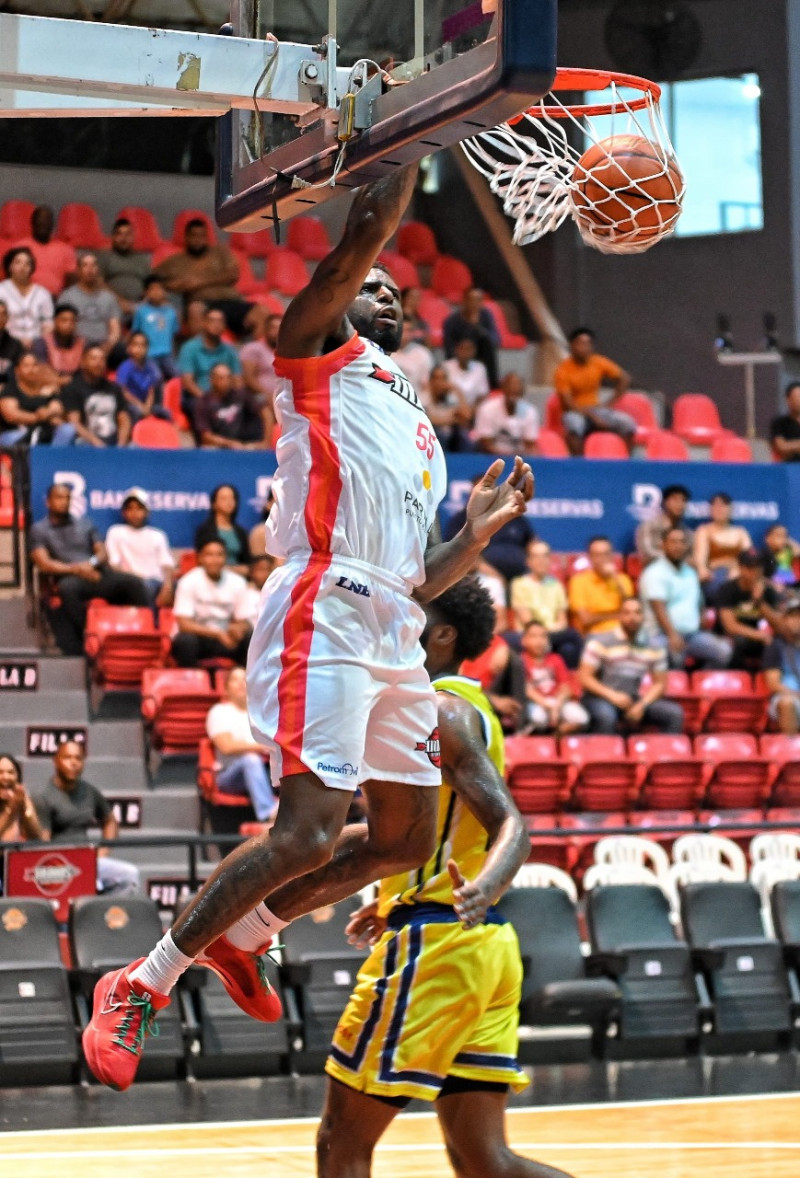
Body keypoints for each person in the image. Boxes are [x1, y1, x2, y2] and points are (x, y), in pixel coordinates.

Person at [81, 162, 532, 1093]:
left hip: (391, 617)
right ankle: (142, 980)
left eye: (396, 293)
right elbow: (360, 238)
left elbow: (420, 576)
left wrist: (475, 539)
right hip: (323, 601)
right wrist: (417, 135)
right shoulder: (313, 350)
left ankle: (249, 933)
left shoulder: (421, 428)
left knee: (407, 839)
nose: (385, 294)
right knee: (308, 834)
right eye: (370, 284)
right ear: (333, 297)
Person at [318, 579, 574, 1178]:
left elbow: (511, 823)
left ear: (443, 634)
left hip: (439, 944)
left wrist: (482, 886)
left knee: (341, 1141)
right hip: (484, 946)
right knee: (486, 1161)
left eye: (412, 616)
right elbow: (438, 828)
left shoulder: (439, 711)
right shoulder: (469, 710)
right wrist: (394, 895)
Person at [29, 482, 149, 655]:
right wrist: (76, 569)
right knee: (67, 588)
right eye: (59, 498)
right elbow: (44, 563)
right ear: (48, 502)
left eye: (67, 498)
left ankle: (139, 635)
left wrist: (91, 563)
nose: (64, 502)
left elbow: (102, 553)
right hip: (69, 577)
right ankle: (89, 632)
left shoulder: (85, 524)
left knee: (134, 583)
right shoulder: (39, 530)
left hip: (96, 574)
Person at [34, 741, 140, 896]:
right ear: (55, 761)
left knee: (129, 875)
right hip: (57, 866)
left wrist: (103, 851)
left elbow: (110, 821)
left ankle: (103, 918)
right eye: (67, 757)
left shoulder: (89, 791)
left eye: (78, 758)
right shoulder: (43, 796)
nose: (73, 763)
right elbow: (42, 844)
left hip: (87, 861)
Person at [578, 597, 684, 734]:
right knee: (606, 716)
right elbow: (585, 677)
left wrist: (642, 705)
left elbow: (660, 684)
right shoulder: (600, 641)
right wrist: (613, 696)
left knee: (674, 714)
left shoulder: (654, 646)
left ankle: (665, 754)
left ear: (643, 617)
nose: (632, 617)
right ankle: (606, 754)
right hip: (599, 698)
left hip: (631, 698)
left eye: (637, 613)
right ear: (620, 616)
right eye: (626, 613)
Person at [639, 526, 731, 668]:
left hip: (691, 635)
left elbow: (699, 602)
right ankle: (677, 687)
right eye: (673, 542)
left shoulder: (690, 573)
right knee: (676, 656)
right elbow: (658, 607)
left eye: (682, 542)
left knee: (724, 651)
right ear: (663, 545)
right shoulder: (654, 572)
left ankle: (702, 687)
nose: (678, 546)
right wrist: (672, 635)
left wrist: (701, 619)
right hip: (660, 635)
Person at [155, 217, 262, 338]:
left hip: (231, 302)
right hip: (203, 305)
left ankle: (258, 353)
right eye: (194, 236)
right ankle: (200, 354)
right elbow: (154, 280)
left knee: (261, 312)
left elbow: (233, 275)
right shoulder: (175, 261)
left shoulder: (221, 252)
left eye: (202, 236)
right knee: (194, 309)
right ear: (186, 237)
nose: (198, 240)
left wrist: (200, 283)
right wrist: (179, 285)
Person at [206, 667, 278, 825]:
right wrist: (260, 747)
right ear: (226, 688)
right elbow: (226, 746)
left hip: (264, 770)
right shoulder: (219, 712)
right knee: (250, 760)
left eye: (244, 679)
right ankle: (269, 813)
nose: (241, 683)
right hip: (229, 775)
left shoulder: (260, 715)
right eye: (235, 680)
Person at [170, 538, 252, 667]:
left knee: (249, 637)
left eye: (219, 555)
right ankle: (193, 683)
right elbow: (184, 624)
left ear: (225, 558)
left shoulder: (238, 582)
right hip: (198, 638)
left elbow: (244, 621)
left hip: (225, 639)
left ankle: (241, 681)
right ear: (200, 558)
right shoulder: (188, 581)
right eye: (209, 555)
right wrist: (217, 633)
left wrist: (238, 629)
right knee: (185, 641)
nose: (215, 560)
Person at [553, 327, 634, 457]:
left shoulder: (598, 362)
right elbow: (569, 404)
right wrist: (593, 417)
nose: (584, 347)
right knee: (574, 425)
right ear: (572, 345)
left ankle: (626, 463)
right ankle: (580, 465)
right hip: (576, 411)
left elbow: (624, 378)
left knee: (627, 422)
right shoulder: (563, 370)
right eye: (580, 343)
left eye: (588, 344)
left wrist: (609, 403)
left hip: (597, 409)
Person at [510, 539, 583, 668]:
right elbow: (528, 621)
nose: (541, 560)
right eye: (536, 556)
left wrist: (549, 632)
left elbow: (563, 621)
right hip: (529, 634)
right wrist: (545, 632)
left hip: (552, 634)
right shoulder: (519, 584)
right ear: (528, 561)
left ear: (550, 559)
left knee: (572, 642)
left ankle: (570, 683)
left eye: (545, 556)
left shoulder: (556, 585)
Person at [104, 487, 175, 610]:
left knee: (184, 587)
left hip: (158, 582)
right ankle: (150, 625)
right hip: (132, 583)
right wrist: (139, 578)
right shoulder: (116, 532)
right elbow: (113, 565)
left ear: (147, 512)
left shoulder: (158, 535)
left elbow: (167, 564)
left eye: (139, 508)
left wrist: (167, 586)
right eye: (130, 508)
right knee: (143, 586)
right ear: (124, 513)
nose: (134, 512)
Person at [714, 548, 783, 670]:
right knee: (738, 644)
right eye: (749, 567)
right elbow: (731, 626)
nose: (754, 571)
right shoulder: (727, 589)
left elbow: (778, 624)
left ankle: (770, 682)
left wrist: (759, 602)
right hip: (728, 636)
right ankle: (738, 682)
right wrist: (762, 636)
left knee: (778, 644)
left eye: (758, 567)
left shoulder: (768, 591)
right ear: (740, 567)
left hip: (754, 636)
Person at [177, 306, 241, 433]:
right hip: (199, 396)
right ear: (204, 323)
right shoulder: (189, 348)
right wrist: (207, 399)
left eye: (220, 321)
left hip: (226, 397)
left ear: (224, 326)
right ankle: (206, 443)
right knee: (202, 406)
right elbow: (188, 382)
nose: (216, 325)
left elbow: (237, 380)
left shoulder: (230, 350)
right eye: (212, 320)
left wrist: (233, 399)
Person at [520, 620, 588, 735]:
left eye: (543, 636)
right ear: (524, 641)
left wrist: (557, 705)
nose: (539, 641)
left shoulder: (556, 659)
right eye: (533, 636)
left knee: (581, 718)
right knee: (538, 718)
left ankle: (556, 736)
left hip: (557, 701)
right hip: (536, 702)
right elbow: (526, 689)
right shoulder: (520, 661)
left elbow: (565, 687)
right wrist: (547, 705)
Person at [0, 351, 75, 446]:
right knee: (14, 437)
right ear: (17, 370)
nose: (31, 369)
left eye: (35, 365)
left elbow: (58, 407)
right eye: (26, 366)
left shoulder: (47, 387)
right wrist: (38, 417)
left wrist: (47, 412)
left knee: (67, 429)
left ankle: (54, 458)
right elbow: (11, 415)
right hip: (16, 432)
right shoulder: (10, 389)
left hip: (45, 430)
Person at [62, 344, 131, 447]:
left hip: (113, 441)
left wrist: (121, 444)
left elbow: (124, 418)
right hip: (86, 442)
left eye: (102, 359)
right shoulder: (73, 388)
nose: (99, 363)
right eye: (93, 359)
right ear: (83, 363)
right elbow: (74, 423)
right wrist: (96, 443)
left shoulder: (114, 388)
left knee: (135, 448)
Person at [567, 536, 634, 636]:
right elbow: (585, 619)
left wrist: (615, 580)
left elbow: (631, 614)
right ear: (590, 558)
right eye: (598, 555)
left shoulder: (623, 580)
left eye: (606, 554)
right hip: (593, 634)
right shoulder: (578, 581)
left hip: (623, 634)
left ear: (612, 556)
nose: (603, 559)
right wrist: (618, 615)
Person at [693, 491, 752, 602]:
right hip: (715, 574)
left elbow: (749, 558)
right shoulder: (704, 531)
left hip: (739, 573)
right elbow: (700, 558)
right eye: (715, 506)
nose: (719, 509)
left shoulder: (741, 532)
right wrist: (702, 570)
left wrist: (737, 570)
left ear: (730, 509)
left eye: (723, 506)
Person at [195, 362, 268, 450]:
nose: (226, 381)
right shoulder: (203, 402)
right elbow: (205, 436)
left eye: (228, 377)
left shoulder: (241, 395)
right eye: (221, 378)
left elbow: (266, 413)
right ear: (212, 379)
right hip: (219, 447)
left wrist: (265, 442)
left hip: (246, 445)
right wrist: (229, 443)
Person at [12, 204, 76, 297]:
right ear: (32, 223)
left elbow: (71, 279)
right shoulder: (18, 248)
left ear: (52, 225)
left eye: (47, 223)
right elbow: (11, 278)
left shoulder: (66, 249)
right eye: (40, 223)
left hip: (57, 300)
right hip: (25, 298)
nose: (43, 226)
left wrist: (64, 299)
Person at [62, 254, 121, 352]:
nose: (90, 270)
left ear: (98, 270)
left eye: (93, 266)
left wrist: (109, 344)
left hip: (104, 344)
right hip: (78, 345)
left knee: (122, 350)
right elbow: (63, 327)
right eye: (85, 265)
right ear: (78, 271)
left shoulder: (109, 297)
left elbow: (115, 328)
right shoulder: (67, 296)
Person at [443, 287, 500, 388]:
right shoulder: (452, 320)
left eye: (478, 300)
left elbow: (495, 340)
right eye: (471, 299)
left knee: (488, 343)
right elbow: (449, 348)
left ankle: (493, 386)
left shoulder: (486, 316)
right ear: (464, 301)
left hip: (479, 357)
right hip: (459, 358)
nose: (475, 303)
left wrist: (477, 326)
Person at [473, 373, 540, 456]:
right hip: (489, 458)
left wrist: (515, 458)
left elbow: (530, 445)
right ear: (503, 388)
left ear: (522, 392)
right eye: (510, 388)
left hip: (519, 458)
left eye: (517, 390)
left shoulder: (530, 411)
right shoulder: (487, 409)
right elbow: (486, 444)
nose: (514, 390)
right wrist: (507, 457)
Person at [96, 218, 151, 318]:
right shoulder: (104, 256)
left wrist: (143, 304)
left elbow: (151, 285)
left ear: (133, 237)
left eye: (128, 234)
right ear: (113, 237)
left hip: (140, 307)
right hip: (112, 305)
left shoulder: (142, 259)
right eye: (119, 234)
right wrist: (121, 302)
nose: (123, 238)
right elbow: (99, 283)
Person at [0, 246, 53, 347]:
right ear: (10, 266)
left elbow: (48, 323)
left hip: (36, 344)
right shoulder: (1, 290)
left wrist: (38, 342)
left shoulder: (43, 293)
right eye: (18, 262)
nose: (22, 267)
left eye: (27, 264)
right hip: (6, 344)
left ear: (32, 268)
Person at [240, 312, 282, 439]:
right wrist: (267, 394)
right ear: (265, 330)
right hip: (257, 394)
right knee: (268, 406)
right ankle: (265, 446)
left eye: (280, 328)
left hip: (283, 396)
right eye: (273, 328)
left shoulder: (290, 351)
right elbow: (248, 378)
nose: (276, 332)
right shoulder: (253, 349)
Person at [193, 483, 251, 575]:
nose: (229, 502)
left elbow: (247, 563)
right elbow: (201, 561)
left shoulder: (241, 532)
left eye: (232, 498)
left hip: (238, 579)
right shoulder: (205, 530)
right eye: (224, 498)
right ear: (214, 503)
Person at [131, 275, 180, 378]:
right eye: (153, 289)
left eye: (160, 288)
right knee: (156, 378)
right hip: (149, 355)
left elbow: (173, 336)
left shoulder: (171, 312)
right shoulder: (141, 311)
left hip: (167, 354)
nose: (157, 292)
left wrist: (173, 354)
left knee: (179, 377)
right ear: (146, 292)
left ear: (165, 292)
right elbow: (135, 333)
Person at [764, 598, 800, 734]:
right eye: (793, 616)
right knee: (787, 703)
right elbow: (773, 684)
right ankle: (793, 751)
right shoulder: (776, 646)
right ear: (784, 620)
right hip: (787, 695)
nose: (797, 620)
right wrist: (797, 695)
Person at [635, 483, 693, 567]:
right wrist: (675, 557)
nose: (679, 504)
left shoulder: (687, 533)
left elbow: (691, 557)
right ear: (665, 502)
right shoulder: (648, 527)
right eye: (675, 499)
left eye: (683, 500)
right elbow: (648, 554)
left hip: (681, 574)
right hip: (655, 572)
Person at [419, 363, 472, 452]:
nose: (440, 382)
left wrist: (457, 390)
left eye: (443, 378)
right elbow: (429, 420)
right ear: (430, 381)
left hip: (451, 436)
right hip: (430, 437)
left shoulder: (450, 397)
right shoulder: (423, 398)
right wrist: (452, 420)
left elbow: (466, 417)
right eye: (437, 378)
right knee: (440, 434)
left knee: (463, 436)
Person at [32, 302, 85, 388]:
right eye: (64, 320)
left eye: (72, 321)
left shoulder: (82, 344)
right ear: (55, 321)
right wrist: (61, 381)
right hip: (50, 385)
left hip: (76, 387)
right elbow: (41, 371)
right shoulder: (42, 342)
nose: (68, 324)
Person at [114, 331, 163, 421]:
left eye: (143, 345)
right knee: (136, 412)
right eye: (136, 345)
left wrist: (147, 407)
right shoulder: (125, 367)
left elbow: (151, 390)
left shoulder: (151, 366)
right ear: (129, 348)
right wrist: (140, 405)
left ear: (147, 348)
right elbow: (123, 392)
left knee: (164, 412)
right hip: (130, 403)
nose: (139, 348)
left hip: (147, 403)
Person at [0, 753, 44, 846]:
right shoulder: (12, 808)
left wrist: (24, 806)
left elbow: (37, 838)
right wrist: (10, 811)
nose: (5, 777)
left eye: (11, 772)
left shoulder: (21, 799)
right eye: (0, 772)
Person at [391, 317, 435, 400]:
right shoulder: (384, 352)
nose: (405, 334)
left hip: (415, 402)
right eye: (402, 330)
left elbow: (426, 386)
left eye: (409, 330)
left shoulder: (423, 354)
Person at [443, 336, 491, 411]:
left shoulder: (480, 368)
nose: (465, 353)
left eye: (469, 349)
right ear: (456, 350)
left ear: (474, 351)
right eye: (462, 349)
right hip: (450, 410)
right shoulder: (446, 367)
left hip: (473, 411)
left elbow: (482, 395)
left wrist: (471, 411)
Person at [760, 522, 800, 590]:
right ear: (767, 539)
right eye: (778, 536)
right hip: (775, 589)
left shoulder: (791, 552)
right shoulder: (764, 554)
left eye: (785, 536)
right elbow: (759, 576)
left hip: (794, 588)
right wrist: (771, 584)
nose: (782, 539)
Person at [770, 382, 800, 462]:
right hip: (789, 468)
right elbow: (781, 447)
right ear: (788, 400)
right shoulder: (780, 423)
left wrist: (792, 446)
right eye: (796, 397)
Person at [0, 300, 23, 388]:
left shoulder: (15, 345)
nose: (0, 317)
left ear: (7, 317)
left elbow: (19, 375)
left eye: (3, 314)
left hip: (7, 390)